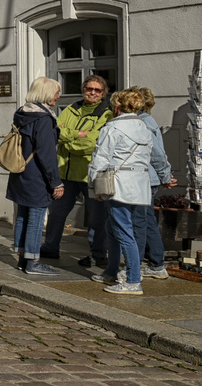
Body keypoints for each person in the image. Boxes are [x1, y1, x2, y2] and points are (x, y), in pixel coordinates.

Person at [87, 87, 156, 294]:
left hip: (117, 182)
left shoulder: (112, 128)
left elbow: (100, 158)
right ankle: (111, 270)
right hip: (140, 183)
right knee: (114, 227)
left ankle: (134, 280)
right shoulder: (145, 127)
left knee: (124, 231)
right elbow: (150, 154)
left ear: (117, 107)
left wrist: (94, 186)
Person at [42, 74, 113, 266]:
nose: (92, 92)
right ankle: (50, 248)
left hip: (90, 173)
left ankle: (98, 254)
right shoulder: (72, 108)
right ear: (83, 89)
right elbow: (55, 131)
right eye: (89, 88)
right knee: (56, 213)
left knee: (97, 217)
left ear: (103, 94)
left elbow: (93, 144)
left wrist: (68, 143)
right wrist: (76, 135)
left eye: (97, 90)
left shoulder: (106, 113)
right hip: (65, 172)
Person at [6, 77, 65, 277]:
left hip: (20, 172)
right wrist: (55, 182)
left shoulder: (22, 113)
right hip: (37, 176)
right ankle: (33, 261)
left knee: (22, 215)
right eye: (57, 92)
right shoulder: (44, 118)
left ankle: (23, 258)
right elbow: (47, 154)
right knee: (36, 218)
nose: (59, 96)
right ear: (48, 94)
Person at [126, 86, 176, 279]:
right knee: (145, 220)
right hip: (149, 177)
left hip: (147, 178)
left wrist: (165, 175)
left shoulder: (143, 123)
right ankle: (154, 261)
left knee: (144, 221)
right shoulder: (146, 121)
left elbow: (156, 153)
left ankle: (156, 263)